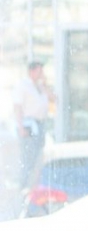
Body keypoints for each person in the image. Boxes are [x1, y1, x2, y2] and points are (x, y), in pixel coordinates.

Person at [13, 61, 56, 189]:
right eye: (39, 71)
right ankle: (24, 185)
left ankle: (34, 185)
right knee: (29, 156)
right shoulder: (23, 85)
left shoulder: (41, 87)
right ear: (31, 72)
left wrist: (45, 85)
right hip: (29, 125)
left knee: (39, 156)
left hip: (41, 124)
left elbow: (53, 99)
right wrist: (20, 126)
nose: (41, 74)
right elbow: (17, 106)